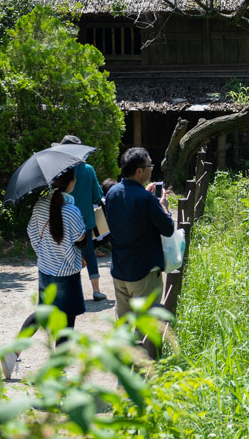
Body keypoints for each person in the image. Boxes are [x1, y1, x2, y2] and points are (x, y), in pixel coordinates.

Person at [1, 168, 87, 379]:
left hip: (46, 269)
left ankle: (12, 354)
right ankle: (59, 371)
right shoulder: (72, 210)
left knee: (41, 314)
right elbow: (81, 240)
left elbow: (32, 231)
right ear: (70, 183)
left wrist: (43, 253)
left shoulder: (40, 205)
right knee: (67, 322)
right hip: (67, 273)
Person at [105, 147, 174, 356]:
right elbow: (168, 229)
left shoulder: (113, 193)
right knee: (145, 326)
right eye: (149, 165)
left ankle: (123, 371)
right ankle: (146, 375)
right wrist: (163, 206)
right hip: (143, 272)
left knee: (124, 326)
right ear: (138, 171)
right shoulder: (146, 200)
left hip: (120, 270)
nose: (152, 169)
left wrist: (149, 199)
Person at [53, 135, 107, 302]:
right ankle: (96, 290)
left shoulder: (59, 169)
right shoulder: (88, 169)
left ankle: (66, 291)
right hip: (85, 222)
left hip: (62, 219)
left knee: (64, 256)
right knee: (89, 254)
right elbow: (97, 197)